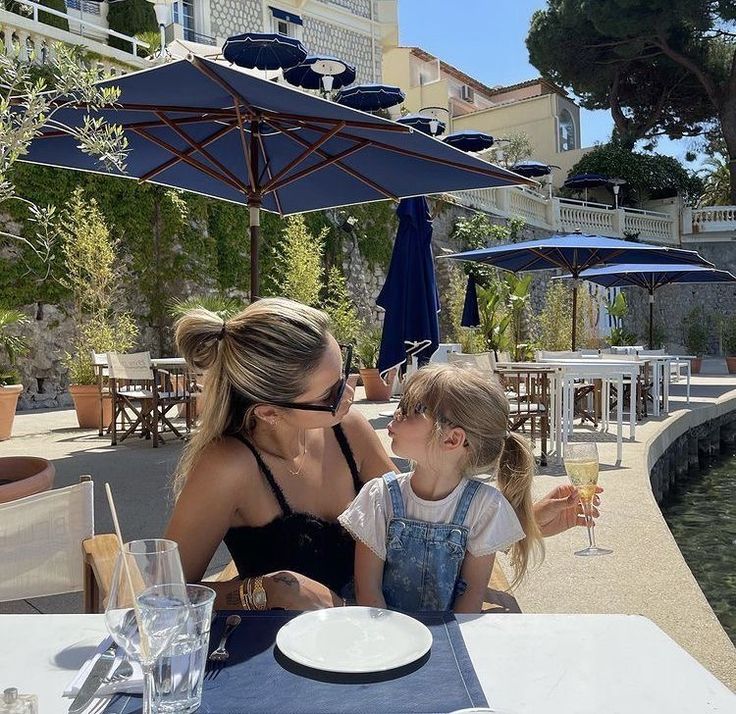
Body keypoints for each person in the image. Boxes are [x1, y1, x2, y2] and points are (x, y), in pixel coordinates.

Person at [165, 298, 600, 611]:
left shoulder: (347, 430)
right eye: (331, 392)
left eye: (347, 370)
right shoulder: (228, 467)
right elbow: (159, 598)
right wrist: (268, 590)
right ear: (269, 412)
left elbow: (423, 519)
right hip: (291, 662)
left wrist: (526, 523)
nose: (351, 393)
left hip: (382, 636)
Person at [339, 364, 543, 613]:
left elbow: (471, 597)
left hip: (450, 634)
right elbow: (368, 593)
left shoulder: (484, 507)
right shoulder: (379, 497)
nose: (396, 414)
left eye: (411, 409)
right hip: (386, 635)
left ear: (452, 439)